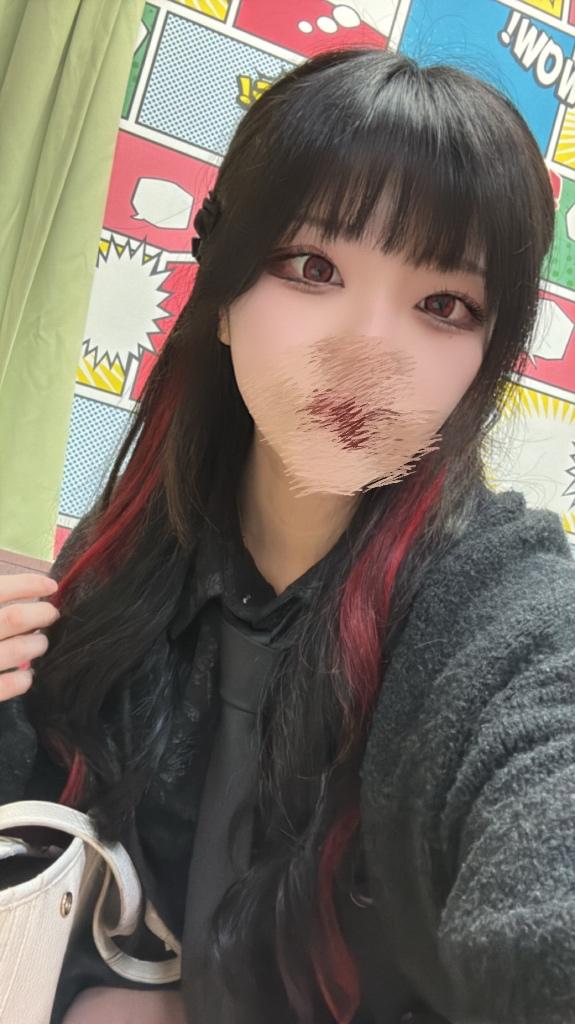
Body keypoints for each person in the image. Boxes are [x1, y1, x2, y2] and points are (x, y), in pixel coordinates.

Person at [0, 45, 573, 1024]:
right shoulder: (130, 557)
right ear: (223, 298)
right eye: (313, 267)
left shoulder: (499, 616)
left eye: (443, 305)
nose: (368, 348)